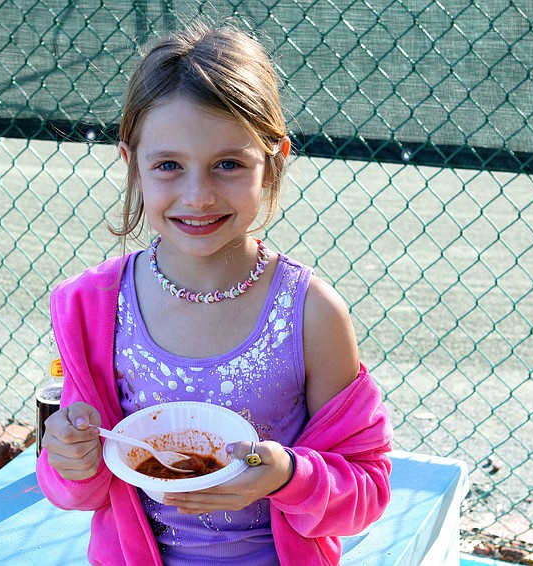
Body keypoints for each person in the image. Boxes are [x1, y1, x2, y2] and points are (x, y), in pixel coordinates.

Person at [37, 21, 393, 566]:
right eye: (169, 166)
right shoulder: (93, 307)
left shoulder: (311, 314)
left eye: (228, 164)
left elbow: (366, 487)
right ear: (131, 163)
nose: (198, 195)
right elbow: (75, 489)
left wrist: (289, 476)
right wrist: (71, 456)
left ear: (273, 160)